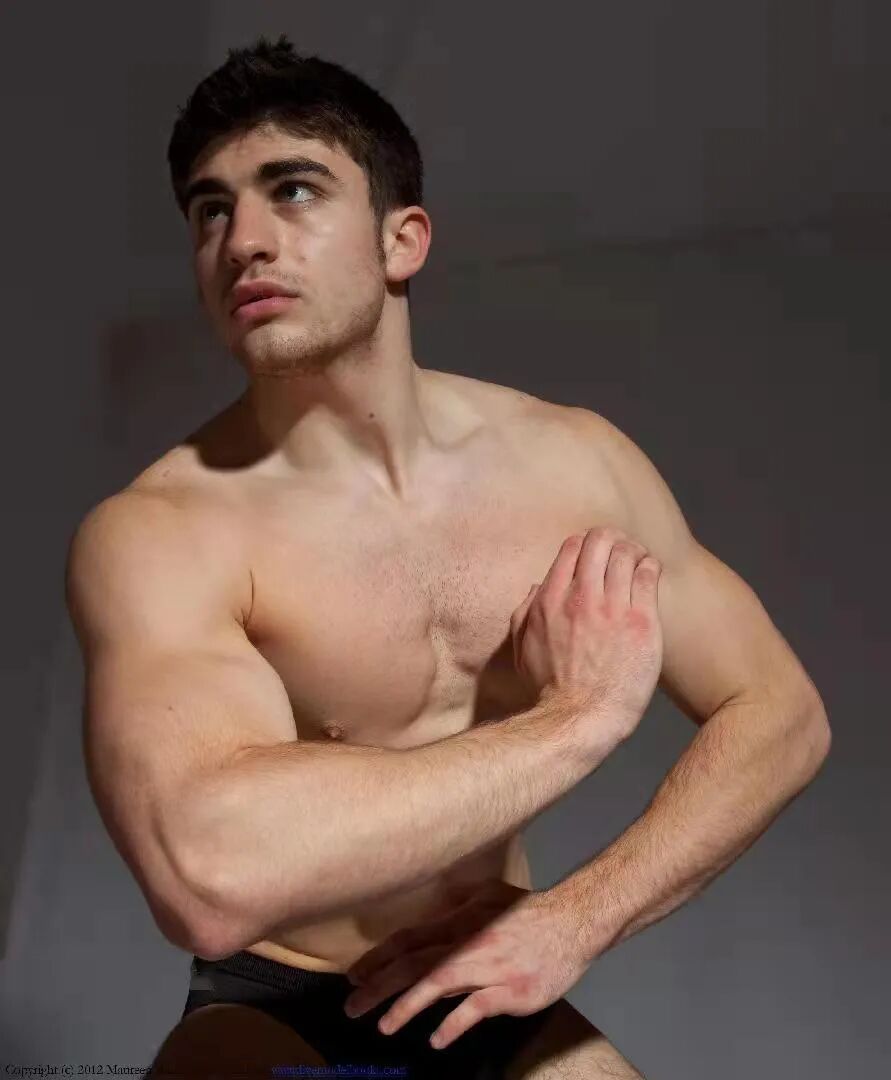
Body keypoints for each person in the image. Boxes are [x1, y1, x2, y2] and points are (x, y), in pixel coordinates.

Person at [64, 34, 831, 1080]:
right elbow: (207, 878)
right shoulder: (160, 531)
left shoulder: (574, 465)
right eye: (210, 211)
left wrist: (575, 920)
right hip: (275, 1000)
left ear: (402, 241)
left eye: (292, 191)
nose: (241, 240)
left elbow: (781, 714)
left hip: (480, 985)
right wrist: (578, 719)